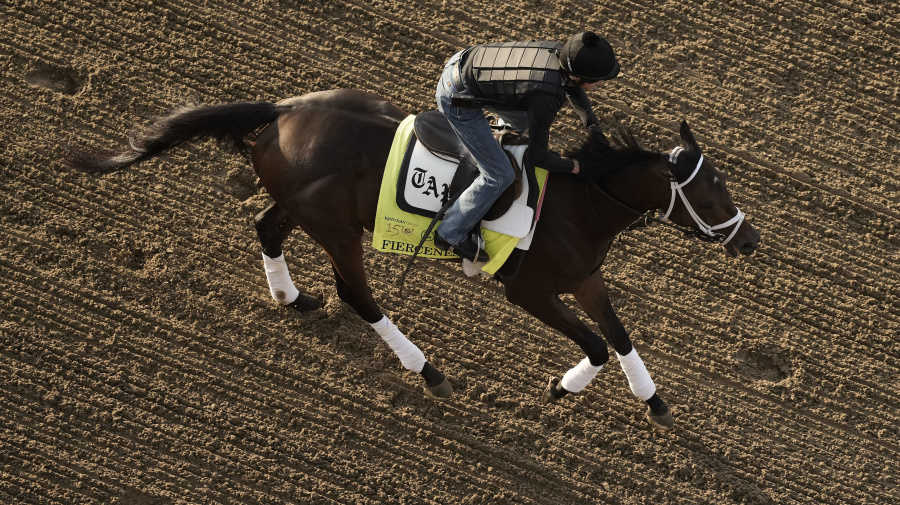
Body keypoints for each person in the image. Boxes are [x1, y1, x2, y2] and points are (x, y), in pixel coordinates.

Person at [433, 31, 620, 263]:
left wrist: (593, 127)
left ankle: (502, 134)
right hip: (456, 98)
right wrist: (577, 168)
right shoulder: (547, 97)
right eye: (598, 80)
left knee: (522, 118)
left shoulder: (559, 53)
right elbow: (538, 156)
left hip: (462, 61)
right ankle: (449, 234)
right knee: (500, 175)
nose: (602, 83)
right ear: (575, 76)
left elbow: (574, 88)